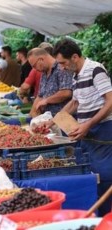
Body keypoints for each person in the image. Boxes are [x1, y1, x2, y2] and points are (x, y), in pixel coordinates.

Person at [51, 39, 112, 216]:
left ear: (75, 57)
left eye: (63, 62)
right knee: (95, 175)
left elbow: (110, 101)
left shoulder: (96, 70)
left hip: (104, 131)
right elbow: (76, 102)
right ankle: (99, 215)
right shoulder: (76, 74)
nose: (61, 67)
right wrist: (54, 120)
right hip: (88, 133)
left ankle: (107, 217)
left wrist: (88, 124)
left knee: (106, 176)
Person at [27, 48, 72, 117]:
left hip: (61, 118)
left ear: (41, 59)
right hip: (45, 117)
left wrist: (46, 100)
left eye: (34, 65)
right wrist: (32, 113)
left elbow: (66, 93)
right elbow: (40, 96)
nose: (34, 69)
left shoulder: (61, 67)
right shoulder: (44, 73)